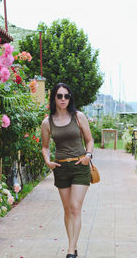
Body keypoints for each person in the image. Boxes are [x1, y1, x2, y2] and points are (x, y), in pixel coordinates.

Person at [41, 83, 94, 258]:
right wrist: (47, 161)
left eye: (66, 96)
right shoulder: (47, 122)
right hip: (61, 168)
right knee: (67, 209)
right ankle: (74, 244)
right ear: (54, 98)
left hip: (80, 166)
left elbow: (90, 140)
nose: (63, 99)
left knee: (75, 207)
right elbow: (45, 147)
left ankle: (71, 250)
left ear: (70, 98)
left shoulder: (78, 117)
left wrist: (88, 155)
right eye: (59, 96)